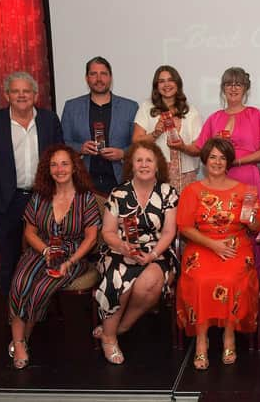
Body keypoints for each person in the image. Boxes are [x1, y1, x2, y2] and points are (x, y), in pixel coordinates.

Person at [7, 144, 101, 369]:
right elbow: (29, 232)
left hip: (72, 256)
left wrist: (69, 261)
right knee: (20, 283)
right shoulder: (40, 197)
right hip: (41, 249)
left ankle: (23, 338)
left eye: (65, 164)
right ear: (47, 169)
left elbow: (91, 238)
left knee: (39, 288)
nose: (60, 169)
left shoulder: (86, 198)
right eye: (54, 164)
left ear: (74, 167)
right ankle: (19, 341)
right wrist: (46, 251)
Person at [0, 71, 63, 296]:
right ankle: (13, 312)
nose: (21, 95)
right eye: (16, 91)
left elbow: (61, 159)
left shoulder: (49, 119)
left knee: (47, 256)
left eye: (26, 91)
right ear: (7, 95)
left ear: (35, 94)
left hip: (43, 200)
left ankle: (43, 307)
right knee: (10, 261)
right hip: (7, 202)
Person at [176, 138, 260, 370]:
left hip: (236, 246)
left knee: (231, 279)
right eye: (212, 156)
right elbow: (184, 227)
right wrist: (214, 245)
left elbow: (255, 228)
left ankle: (229, 336)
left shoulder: (245, 191)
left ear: (229, 162)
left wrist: (252, 218)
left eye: (222, 157)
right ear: (205, 160)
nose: (217, 162)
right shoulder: (192, 190)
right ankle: (202, 342)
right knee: (201, 279)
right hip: (202, 246)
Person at [92, 140, 178, 364]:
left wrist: (151, 255)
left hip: (157, 250)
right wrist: (123, 247)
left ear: (157, 165)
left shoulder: (168, 192)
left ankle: (121, 327)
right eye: (138, 160)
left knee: (147, 284)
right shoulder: (118, 194)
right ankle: (109, 339)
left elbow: (169, 232)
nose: (144, 164)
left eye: (149, 160)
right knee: (117, 278)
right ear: (131, 165)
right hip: (120, 249)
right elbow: (108, 232)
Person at [194, 67, 260, 273]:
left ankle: (251, 280)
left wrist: (237, 161)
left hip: (247, 179)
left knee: (251, 227)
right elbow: (200, 149)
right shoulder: (214, 118)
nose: (233, 88)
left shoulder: (256, 115)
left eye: (238, 84)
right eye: (229, 84)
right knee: (220, 225)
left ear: (246, 88)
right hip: (218, 182)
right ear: (223, 88)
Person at [61, 56, 138, 195]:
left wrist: (122, 153)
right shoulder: (71, 107)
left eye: (103, 74)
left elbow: (139, 145)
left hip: (121, 182)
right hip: (83, 184)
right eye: (93, 74)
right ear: (86, 78)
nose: (99, 79)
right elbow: (62, 143)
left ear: (110, 77)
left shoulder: (130, 107)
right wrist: (80, 148)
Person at [132, 65, 202, 192]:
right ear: (156, 86)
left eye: (170, 80)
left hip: (185, 177)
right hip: (155, 173)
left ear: (178, 83)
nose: (166, 85)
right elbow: (136, 141)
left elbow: (199, 148)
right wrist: (155, 133)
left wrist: (182, 147)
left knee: (184, 211)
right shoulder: (146, 107)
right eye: (161, 81)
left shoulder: (191, 111)